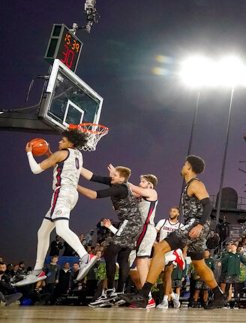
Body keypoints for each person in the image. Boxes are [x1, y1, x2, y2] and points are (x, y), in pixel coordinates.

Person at [120, 155, 227, 309]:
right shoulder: (190, 185)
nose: (182, 166)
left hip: (195, 224)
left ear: (189, 168)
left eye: (184, 164)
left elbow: (208, 205)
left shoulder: (195, 184)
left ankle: (143, 294)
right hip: (197, 226)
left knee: (160, 248)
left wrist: (200, 225)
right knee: (199, 264)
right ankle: (219, 296)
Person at [14, 130, 97, 287]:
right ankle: (38, 271)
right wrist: (49, 154)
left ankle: (85, 257)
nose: (59, 142)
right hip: (70, 194)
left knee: (61, 230)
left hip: (62, 194)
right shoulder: (77, 154)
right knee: (43, 232)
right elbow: (60, 162)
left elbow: (35, 170)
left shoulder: (61, 153)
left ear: (71, 143)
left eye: (63, 140)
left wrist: (29, 153)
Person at [77, 164, 143, 307]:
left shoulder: (119, 188)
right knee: (123, 256)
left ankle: (111, 292)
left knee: (110, 253)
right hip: (134, 223)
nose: (111, 176)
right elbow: (92, 176)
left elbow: (94, 195)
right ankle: (119, 293)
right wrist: (76, 166)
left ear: (122, 179)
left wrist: (74, 186)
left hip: (130, 223)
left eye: (115, 175)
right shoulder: (116, 182)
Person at [128, 174, 159, 289]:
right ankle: (143, 292)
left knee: (142, 260)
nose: (140, 183)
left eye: (143, 181)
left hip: (147, 229)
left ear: (150, 185)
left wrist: (122, 179)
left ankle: (147, 294)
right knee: (134, 263)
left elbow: (131, 187)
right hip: (138, 230)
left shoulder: (152, 192)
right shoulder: (139, 196)